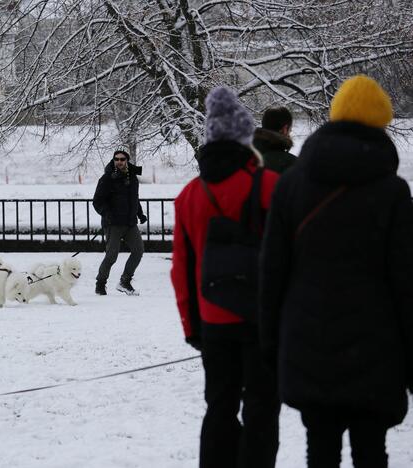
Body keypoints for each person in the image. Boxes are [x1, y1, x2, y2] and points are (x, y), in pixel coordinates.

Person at [259, 75, 413, 468]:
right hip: (376, 348)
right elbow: (406, 284)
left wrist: (270, 345)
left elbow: (272, 272)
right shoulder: (393, 193)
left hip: (311, 342)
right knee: (371, 450)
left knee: (320, 450)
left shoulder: (291, 186)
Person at [171, 87, 281, 468]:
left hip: (213, 318)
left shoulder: (189, 195)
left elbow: (181, 269)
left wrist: (192, 325)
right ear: (244, 139)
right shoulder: (268, 187)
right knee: (262, 409)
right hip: (261, 319)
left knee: (218, 406)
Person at [93, 146, 146, 296]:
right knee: (111, 256)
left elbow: (134, 198)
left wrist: (140, 214)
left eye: (122, 159)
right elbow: (97, 201)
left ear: (127, 161)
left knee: (138, 250)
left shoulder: (133, 178)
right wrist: (107, 214)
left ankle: (125, 281)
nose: (119, 162)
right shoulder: (107, 178)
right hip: (113, 224)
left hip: (130, 222)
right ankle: (100, 283)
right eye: (116, 159)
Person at [253, 106, 297, 173]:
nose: (290, 131)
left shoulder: (246, 157)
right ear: (285, 129)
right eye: (290, 129)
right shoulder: (292, 164)